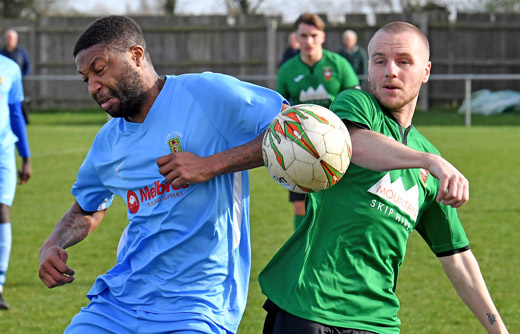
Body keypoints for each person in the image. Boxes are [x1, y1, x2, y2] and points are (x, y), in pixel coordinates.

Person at [38, 15, 288, 334]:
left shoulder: (206, 93)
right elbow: (87, 208)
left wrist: (213, 164)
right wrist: (52, 243)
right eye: (84, 78)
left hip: (198, 306)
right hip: (119, 303)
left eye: (99, 70)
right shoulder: (107, 143)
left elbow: (293, 129)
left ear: (137, 55)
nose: (92, 87)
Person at [259, 22, 509, 334]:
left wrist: (499, 330)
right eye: (380, 60)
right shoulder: (357, 105)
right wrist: (430, 162)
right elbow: (355, 144)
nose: (390, 71)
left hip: (378, 321)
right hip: (310, 308)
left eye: (404, 61)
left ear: (426, 71)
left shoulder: (428, 167)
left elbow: (457, 256)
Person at [276, 13, 360, 230]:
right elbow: (278, 110)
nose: (309, 41)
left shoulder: (339, 65)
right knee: (300, 207)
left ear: (322, 36)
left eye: (313, 35)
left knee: (338, 205)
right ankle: (302, 255)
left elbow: (357, 100)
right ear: (296, 37)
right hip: (299, 148)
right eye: (303, 35)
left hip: (337, 146)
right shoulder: (287, 70)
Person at [0, 54, 32, 310]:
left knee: (2, 210)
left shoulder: (10, 68)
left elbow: (15, 113)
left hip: (4, 152)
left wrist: (26, 157)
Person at [1, 29, 32, 124]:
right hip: (3, 84)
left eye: (11, 38)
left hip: (18, 83)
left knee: (19, 102)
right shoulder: (2, 53)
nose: (10, 40)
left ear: (16, 39)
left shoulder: (21, 53)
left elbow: (27, 65)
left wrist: (22, 77)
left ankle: (25, 121)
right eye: (8, 38)